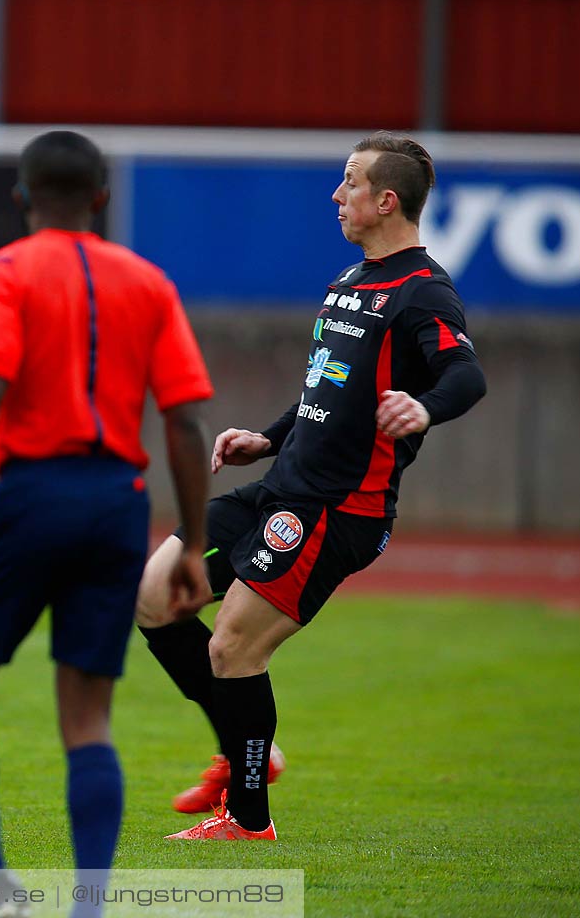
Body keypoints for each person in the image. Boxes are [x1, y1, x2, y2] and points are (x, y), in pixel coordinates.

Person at [138, 131, 487, 841]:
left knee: (234, 647)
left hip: (337, 508)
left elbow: (465, 374)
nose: (337, 195)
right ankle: (242, 758)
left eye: (350, 183)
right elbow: (325, 393)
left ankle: (247, 818)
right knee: (152, 597)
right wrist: (268, 437)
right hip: (280, 485)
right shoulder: (351, 284)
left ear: (385, 200)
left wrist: (425, 407)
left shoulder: (424, 294)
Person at [0, 130, 215, 914]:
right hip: (118, 504)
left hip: (31, 496)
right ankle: (89, 906)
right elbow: (183, 423)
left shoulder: (4, 274)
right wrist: (193, 542)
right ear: (102, 198)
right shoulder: (149, 282)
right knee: (88, 716)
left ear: (21, 197)